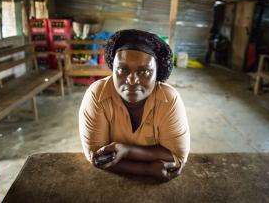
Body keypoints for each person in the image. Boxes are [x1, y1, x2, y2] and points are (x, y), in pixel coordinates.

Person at [79, 29, 190, 181]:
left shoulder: (168, 99)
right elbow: (96, 157)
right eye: (122, 70)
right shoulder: (98, 95)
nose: (131, 81)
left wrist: (127, 151)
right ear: (113, 69)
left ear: (157, 73)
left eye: (144, 71)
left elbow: (177, 157)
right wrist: (145, 169)